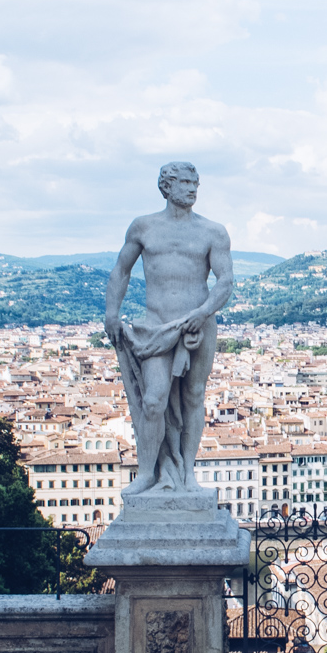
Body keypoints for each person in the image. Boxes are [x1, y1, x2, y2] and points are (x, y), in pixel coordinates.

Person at [103, 163, 234, 496]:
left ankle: (188, 473)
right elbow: (121, 271)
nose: (192, 189)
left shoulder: (213, 232)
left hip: (199, 325)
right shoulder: (143, 227)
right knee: (153, 400)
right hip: (156, 325)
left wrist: (203, 312)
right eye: (186, 183)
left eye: (196, 183)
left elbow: (225, 281)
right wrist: (111, 313)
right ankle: (147, 472)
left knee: (194, 396)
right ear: (166, 187)